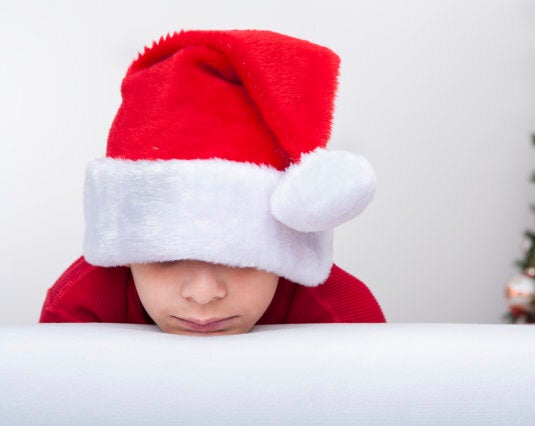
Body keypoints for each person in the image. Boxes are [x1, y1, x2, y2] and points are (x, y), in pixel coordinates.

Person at [39, 29, 385, 335]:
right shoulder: (78, 309)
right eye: (166, 257)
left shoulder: (345, 319)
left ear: (286, 248)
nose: (203, 293)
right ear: (126, 253)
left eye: (240, 257)